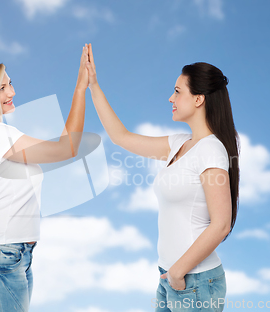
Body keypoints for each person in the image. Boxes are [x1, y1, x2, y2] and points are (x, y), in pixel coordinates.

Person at [85, 43, 239, 312]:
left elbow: (221, 224)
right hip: (171, 277)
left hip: (194, 281)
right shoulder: (179, 144)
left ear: (198, 99)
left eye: (178, 92)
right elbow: (122, 138)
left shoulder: (212, 150)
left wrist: (179, 271)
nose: (171, 98)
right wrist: (94, 86)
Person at [0, 44, 90, 312]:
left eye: (10, 84)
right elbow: (67, 149)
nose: (12, 92)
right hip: (0, 255)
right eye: (2, 88)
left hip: (13, 254)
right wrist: (79, 89)